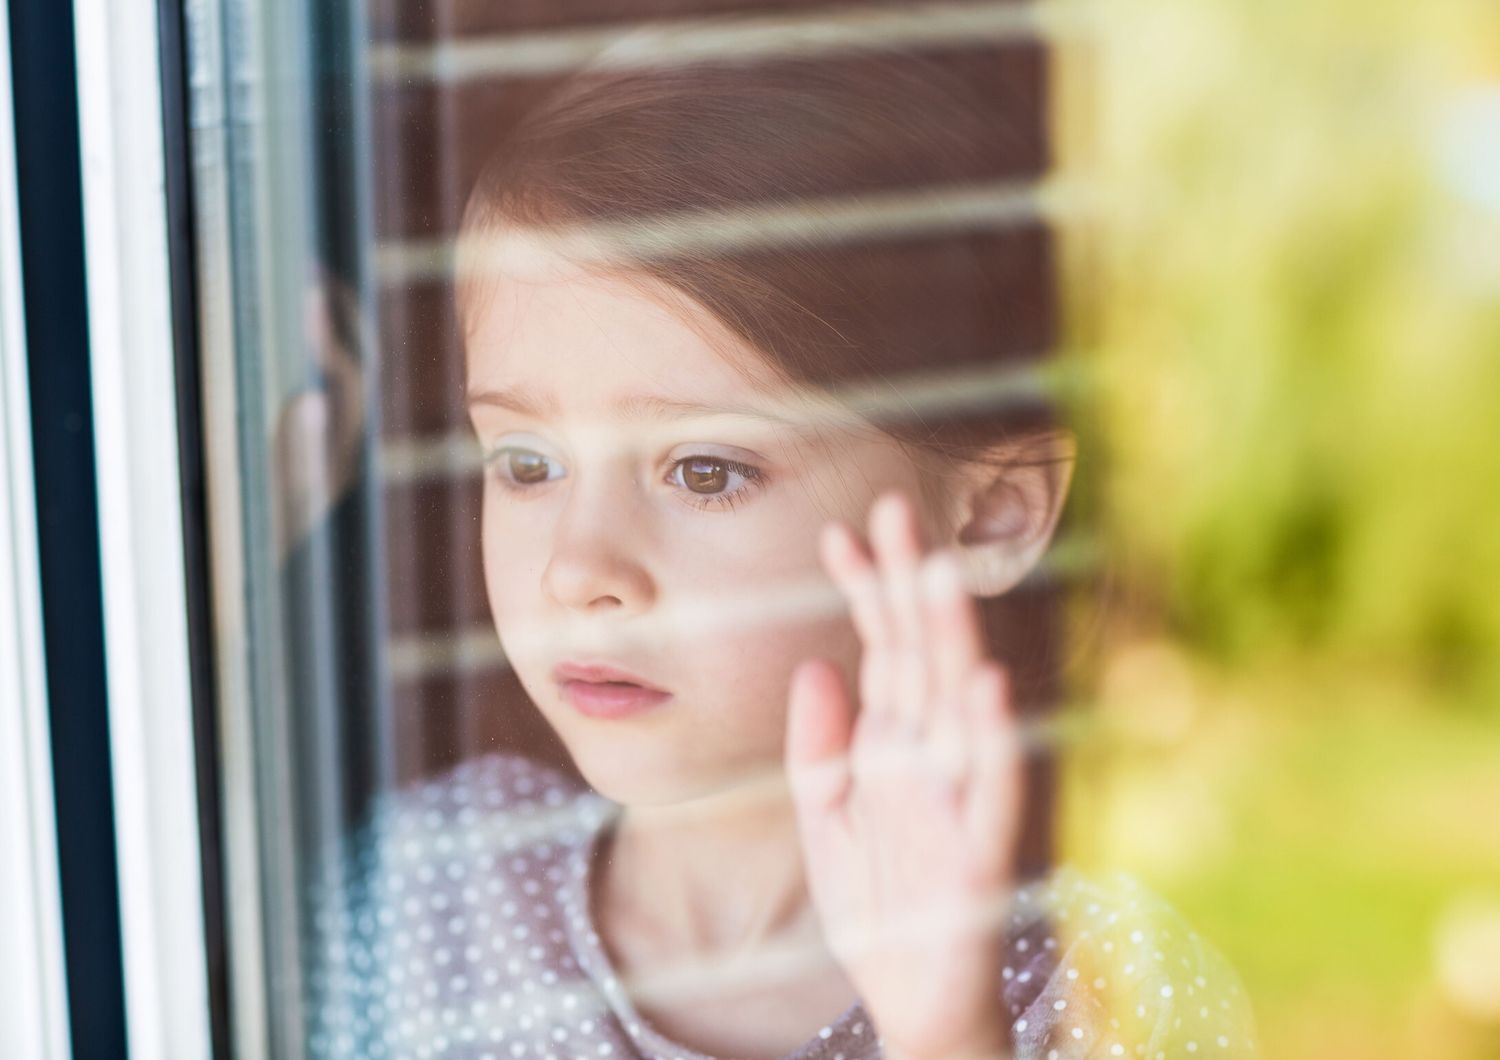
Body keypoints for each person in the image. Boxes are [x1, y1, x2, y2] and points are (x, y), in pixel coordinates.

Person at [308, 39, 1258, 1060]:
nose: (578, 570)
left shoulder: (1098, 985)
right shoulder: (426, 895)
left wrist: (945, 1030)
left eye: (705, 472)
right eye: (529, 463)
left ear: (989, 516)